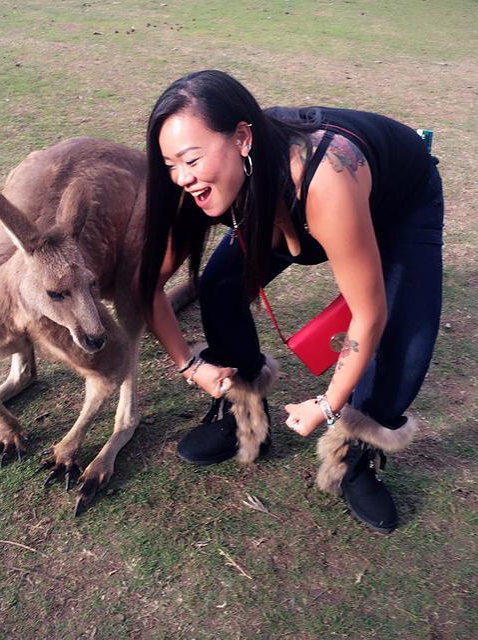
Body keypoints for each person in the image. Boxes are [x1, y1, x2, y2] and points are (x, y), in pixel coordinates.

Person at [139, 70, 443, 534]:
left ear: (242, 137)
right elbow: (147, 286)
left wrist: (328, 404)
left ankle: (354, 455)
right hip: (276, 202)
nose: (183, 178)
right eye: (170, 165)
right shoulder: (192, 187)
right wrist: (190, 365)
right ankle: (241, 414)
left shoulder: (326, 180)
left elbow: (369, 312)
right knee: (221, 284)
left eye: (192, 159)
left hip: (400, 203)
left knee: (404, 334)